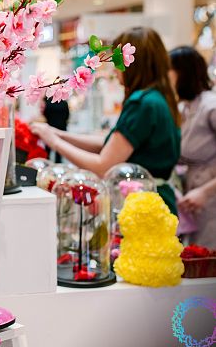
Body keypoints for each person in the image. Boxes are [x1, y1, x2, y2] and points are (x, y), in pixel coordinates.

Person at [31, 27, 181, 214]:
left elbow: (103, 166)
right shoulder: (157, 98)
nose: (114, 69)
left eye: (117, 61)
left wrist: (54, 141)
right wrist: (58, 134)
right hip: (154, 201)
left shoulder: (143, 103)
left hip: (142, 206)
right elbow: (111, 145)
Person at [169, 46, 216, 248]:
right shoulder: (186, 107)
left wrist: (205, 192)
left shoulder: (211, 107)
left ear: (182, 73)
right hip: (196, 204)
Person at [42, 97, 70, 163]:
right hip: (61, 128)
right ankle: (58, 163)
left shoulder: (49, 102)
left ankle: (47, 162)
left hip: (50, 128)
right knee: (59, 149)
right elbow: (67, 115)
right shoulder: (64, 103)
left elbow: (45, 114)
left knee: (48, 148)